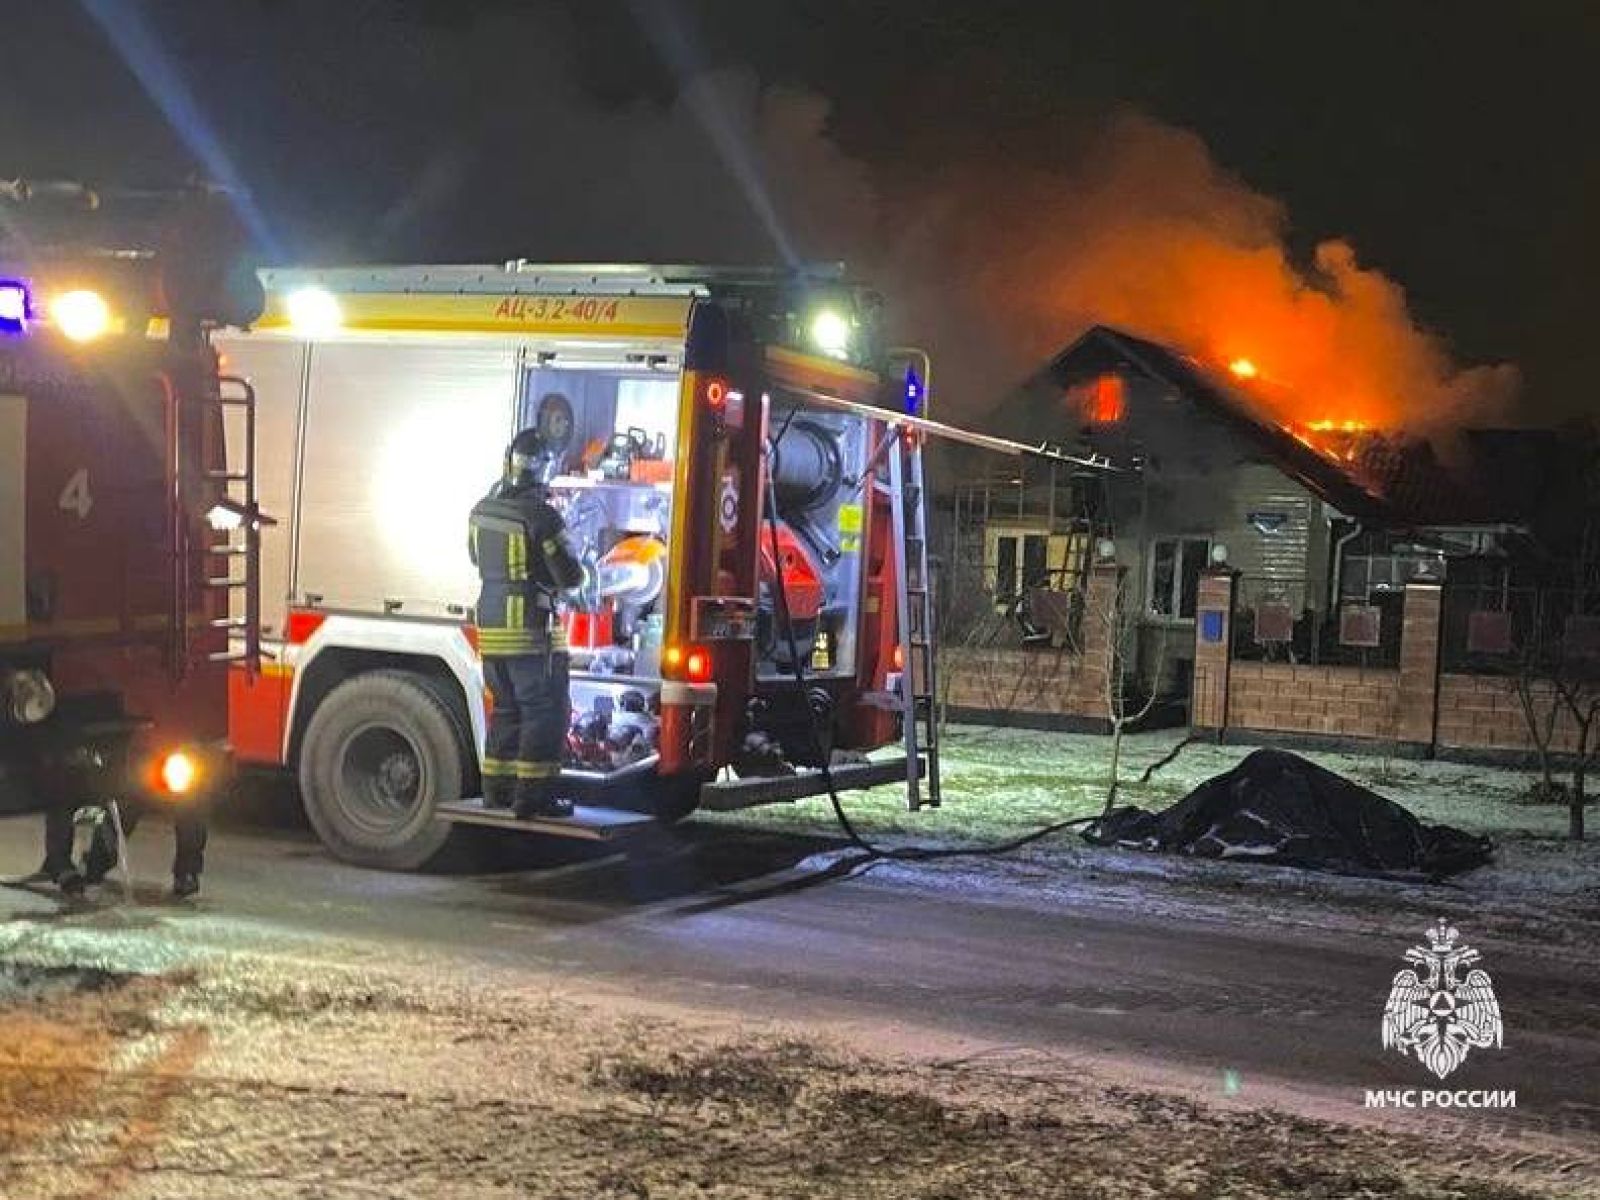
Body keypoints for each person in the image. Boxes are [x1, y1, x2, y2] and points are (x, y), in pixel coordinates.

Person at [469, 428, 585, 819]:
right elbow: (569, 576)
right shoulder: (542, 516)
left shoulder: (481, 509)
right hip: (530, 631)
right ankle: (534, 799)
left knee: (505, 710)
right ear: (543, 470)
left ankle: (496, 792)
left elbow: (475, 557)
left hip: (489, 627)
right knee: (544, 711)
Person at [40, 794, 206, 898]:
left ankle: (187, 871)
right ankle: (64, 864)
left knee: (192, 800)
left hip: (160, 756)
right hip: (121, 756)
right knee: (63, 787)